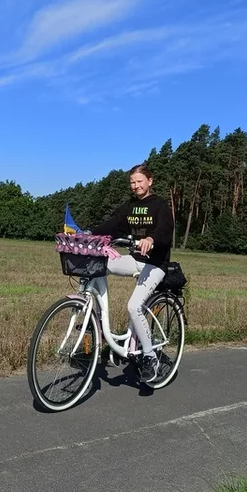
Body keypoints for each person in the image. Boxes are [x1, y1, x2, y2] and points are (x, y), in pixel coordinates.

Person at [90, 164, 173, 383]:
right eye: (132, 183)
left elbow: (165, 230)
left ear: (150, 181)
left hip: (155, 264)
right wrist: (87, 233)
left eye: (139, 181)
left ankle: (149, 356)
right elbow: (112, 224)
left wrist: (151, 239)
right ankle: (96, 319)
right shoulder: (129, 206)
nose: (136, 186)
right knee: (98, 264)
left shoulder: (160, 206)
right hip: (135, 261)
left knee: (133, 306)